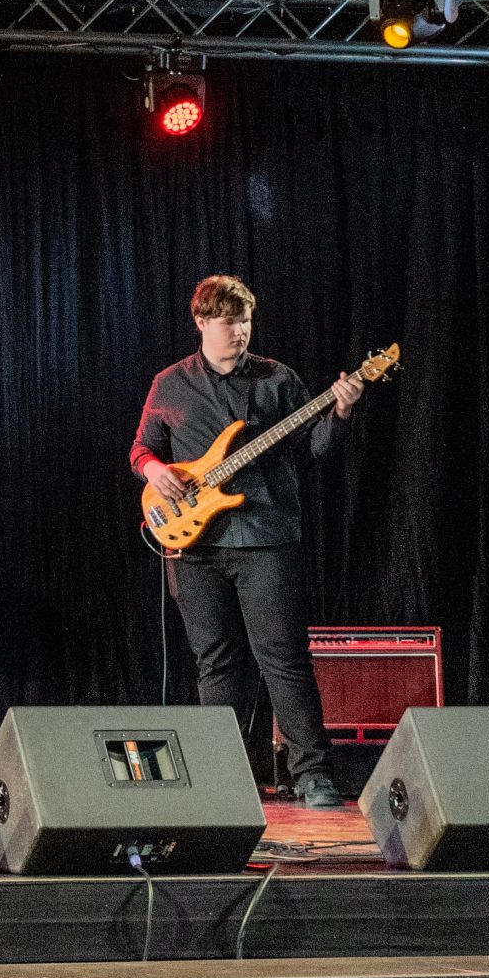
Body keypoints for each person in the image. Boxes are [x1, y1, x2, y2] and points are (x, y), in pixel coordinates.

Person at [131, 274, 363, 808]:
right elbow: (141, 449)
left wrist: (342, 411)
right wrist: (154, 471)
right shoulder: (170, 384)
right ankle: (222, 776)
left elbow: (318, 449)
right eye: (230, 322)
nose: (240, 332)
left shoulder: (278, 379)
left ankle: (313, 773)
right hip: (195, 546)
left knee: (284, 658)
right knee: (217, 662)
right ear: (201, 322)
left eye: (246, 321)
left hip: (266, 537)